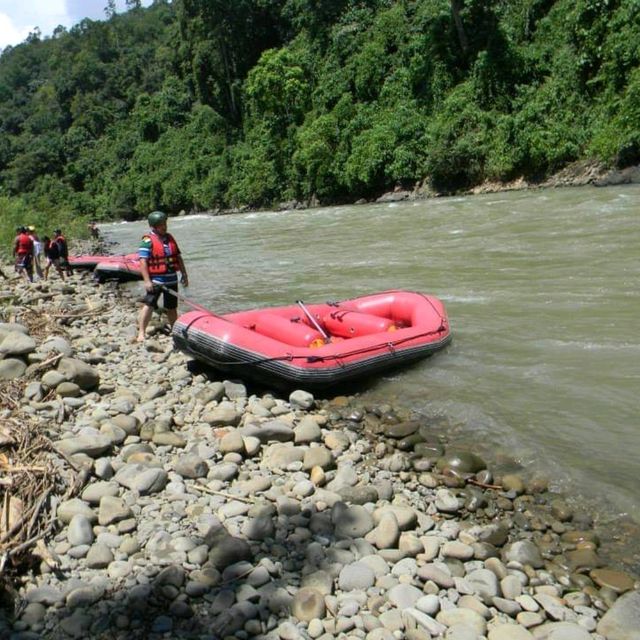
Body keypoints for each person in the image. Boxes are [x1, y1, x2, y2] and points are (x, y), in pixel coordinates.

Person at [136, 210, 189, 342]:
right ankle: (141, 333)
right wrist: (147, 281)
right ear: (153, 226)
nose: (164, 226)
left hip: (171, 279)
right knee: (149, 304)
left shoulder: (170, 238)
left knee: (171, 308)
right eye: (161, 225)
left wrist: (184, 274)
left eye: (165, 223)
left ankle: (174, 331)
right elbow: (143, 262)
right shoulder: (147, 240)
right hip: (156, 281)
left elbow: (178, 257)